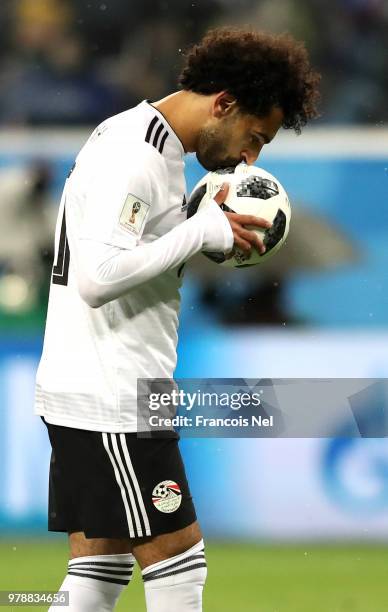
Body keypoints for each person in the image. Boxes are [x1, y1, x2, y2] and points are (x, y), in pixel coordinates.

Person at [34, 26, 320, 612]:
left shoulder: (149, 145)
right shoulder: (134, 154)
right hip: (113, 395)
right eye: (254, 136)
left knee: (99, 570)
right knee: (180, 566)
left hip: (101, 388)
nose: (250, 157)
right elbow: (97, 278)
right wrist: (201, 231)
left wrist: (197, 236)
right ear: (223, 104)